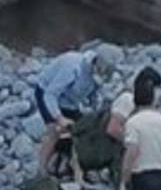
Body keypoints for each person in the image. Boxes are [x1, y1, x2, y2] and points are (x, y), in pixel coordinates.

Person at [33, 45, 122, 179]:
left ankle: (62, 165)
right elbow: (50, 95)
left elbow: (94, 95)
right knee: (55, 131)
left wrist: (96, 114)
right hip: (47, 93)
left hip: (71, 101)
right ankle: (41, 171)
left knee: (80, 131)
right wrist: (58, 117)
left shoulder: (100, 75)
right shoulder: (73, 67)